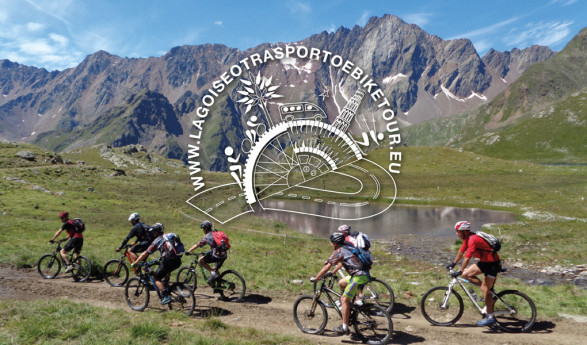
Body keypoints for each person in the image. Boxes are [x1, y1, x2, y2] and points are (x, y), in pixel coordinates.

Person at [310, 232, 371, 336]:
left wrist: (316, 278)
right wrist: (333, 272)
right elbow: (342, 262)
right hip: (363, 274)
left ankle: (344, 327)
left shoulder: (339, 251)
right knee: (342, 282)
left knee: (344, 299)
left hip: (358, 277)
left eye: (331, 243)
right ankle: (351, 305)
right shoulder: (348, 247)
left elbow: (326, 267)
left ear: (334, 243)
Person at [447, 221, 502, 327]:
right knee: (466, 275)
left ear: (464, 231)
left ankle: (490, 317)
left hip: (492, 264)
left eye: (457, 232)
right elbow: (462, 250)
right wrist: (453, 263)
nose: (456, 234)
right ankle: (488, 293)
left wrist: (460, 269)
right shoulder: (467, 238)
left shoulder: (473, 239)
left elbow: (467, 256)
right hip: (484, 262)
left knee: (484, 288)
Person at [131, 223, 183, 304]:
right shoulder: (171, 235)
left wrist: (136, 262)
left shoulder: (158, 239)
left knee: (156, 278)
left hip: (168, 260)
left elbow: (146, 253)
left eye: (153, 232)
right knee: (165, 272)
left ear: (155, 232)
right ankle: (167, 288)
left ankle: (166, 296)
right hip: (178, 260)